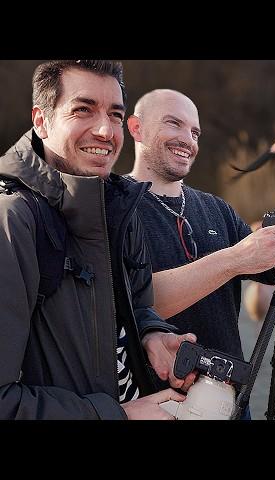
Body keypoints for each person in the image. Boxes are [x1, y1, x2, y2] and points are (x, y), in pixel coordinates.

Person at [0, 61, 196, 420]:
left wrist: (152, 334)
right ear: (41, 121)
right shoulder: (11, 220)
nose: (106, 130)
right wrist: (117, 416)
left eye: (115, 114)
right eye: (83, 110)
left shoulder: (119, 205)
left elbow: (135, 306)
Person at [125, 89, 275, 416]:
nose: (187, 139)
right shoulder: (114, 207)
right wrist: (235, 259)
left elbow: (272, 270)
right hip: (152, 403)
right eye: (174, 124)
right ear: (135, 128)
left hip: (229, 399)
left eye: (195, 132)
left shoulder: (217, 209)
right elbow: (132, 299)